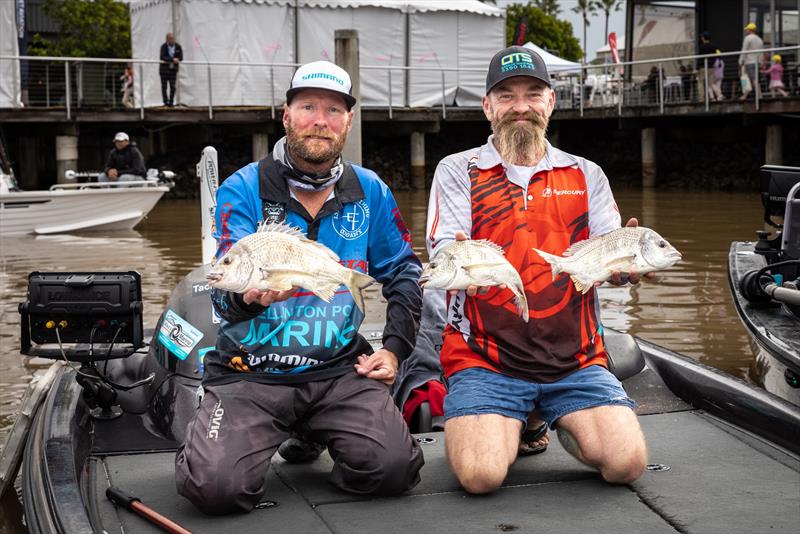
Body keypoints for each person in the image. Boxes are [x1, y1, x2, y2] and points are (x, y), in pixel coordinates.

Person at [175, 60, 424, 515]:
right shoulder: (243, 188)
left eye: (333, 110)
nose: (320, 120)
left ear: (348, 121)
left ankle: (312, 432)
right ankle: (216, 441)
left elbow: (405, 272)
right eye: (307, 106)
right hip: (249, 371)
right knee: (214, 489)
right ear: (286, 115)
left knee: (393, 470)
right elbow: (223, 287)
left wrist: (393, 350)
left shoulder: (370, 190)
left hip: (337, 371)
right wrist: (246, 298)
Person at [426, 46, 649, 495]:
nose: (520, 107)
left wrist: (626, 267)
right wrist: (465, 257)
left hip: (575, 359)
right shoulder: (457, 170)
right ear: (487, 107)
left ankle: (551, 416)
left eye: (533, 94)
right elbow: (446, 251)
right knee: (481, 476)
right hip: (485, 359)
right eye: (505, 96)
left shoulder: (586, 174)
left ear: (551, 102)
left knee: (626, 464)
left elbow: (607, 257)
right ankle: (520, 419)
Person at [738, 23, 763, 101]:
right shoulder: (759, 39)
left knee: (751, 79)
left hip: (749, 62)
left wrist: (740, 61)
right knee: (750, 79)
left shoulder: (748, 38)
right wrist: (761, 62)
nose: (746, 31)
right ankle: (746, 95)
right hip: (757, 62)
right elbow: (761, 52)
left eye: (747, 29)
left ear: (750, 30)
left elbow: (744, 50)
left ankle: (759, 96)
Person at [159, 32, 183, 106]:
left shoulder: (178, 46)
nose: (172, 40)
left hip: (173, 70)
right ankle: (165, 102)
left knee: (173, 86)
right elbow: (162, 57)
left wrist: (177, 59)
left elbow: (181, 57)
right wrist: (172, 59)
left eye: (173, 38)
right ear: (167, 39)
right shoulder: (163, 47)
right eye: (170, 39)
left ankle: (171, 101)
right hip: (164, 70)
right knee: (164, 87)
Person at [697, 32, 717, 101]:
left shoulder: (702, 47)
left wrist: (697, 68)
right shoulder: (713, 46)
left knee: (700, 82)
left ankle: (701, 98)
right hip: (711, 67)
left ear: (703, 38)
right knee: (712, 83)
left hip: (703, 67)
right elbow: (715, 56)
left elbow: (699, 58)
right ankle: (719, 95)